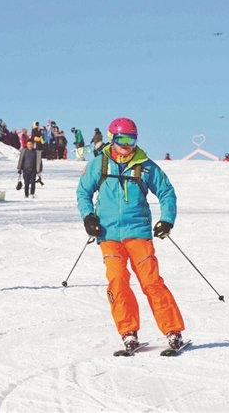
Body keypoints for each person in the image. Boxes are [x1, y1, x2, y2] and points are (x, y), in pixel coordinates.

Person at [76, 117, 185, 353]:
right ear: (112, 139)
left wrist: (167, 219)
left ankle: (173, 331)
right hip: (108, 234)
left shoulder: (145, 165)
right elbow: (83, 192)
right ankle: (128, 332)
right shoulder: (99, 164)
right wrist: (88, 217)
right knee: (117, 281)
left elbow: (166, 192)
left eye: (132, 140)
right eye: (123, 140)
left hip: (137, 231)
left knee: (151, 281)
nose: (128, 145)